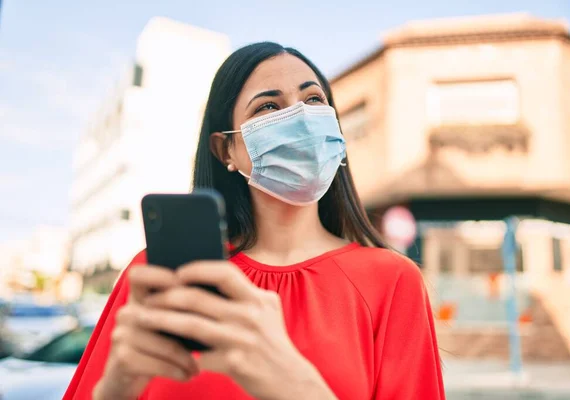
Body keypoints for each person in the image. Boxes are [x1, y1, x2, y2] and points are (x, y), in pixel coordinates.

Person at [64, 42, 445, 400]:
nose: (300, 117)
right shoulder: (160, 274)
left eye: (314, 100)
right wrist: (112, 389)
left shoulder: (393, 281)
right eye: (267, 107)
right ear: (225, 148)